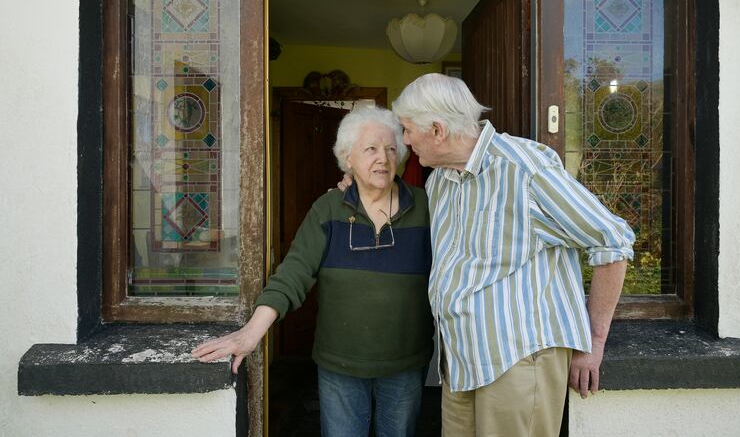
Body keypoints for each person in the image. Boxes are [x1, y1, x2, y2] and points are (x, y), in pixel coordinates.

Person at [392, 73, 635, 436]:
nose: (406, 140)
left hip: (518, 361)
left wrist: (593, 343)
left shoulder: (524, 168)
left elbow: (612, 241)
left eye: (408, 130)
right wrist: (357, 184)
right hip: (460, 362)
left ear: (438, 130)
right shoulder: (440, 180)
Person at [193, 105, 433, 437]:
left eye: (392, 149)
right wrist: (251, 333)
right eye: (371, 149)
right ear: (348, 158)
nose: (383, 158)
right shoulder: (328, 208)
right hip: (340, 365)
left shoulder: (426, 207)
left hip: (405, 364)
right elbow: (294, 273)